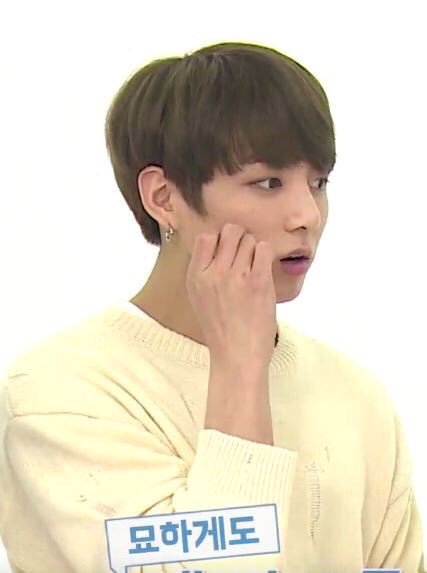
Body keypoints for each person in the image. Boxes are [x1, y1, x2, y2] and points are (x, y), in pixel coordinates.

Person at [0, 41, 424, 573]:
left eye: (319, 182)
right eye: (268, 182)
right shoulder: (58, 395)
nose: (307, 214)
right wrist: (239, 365)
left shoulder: (356, 394)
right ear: (164, 197)